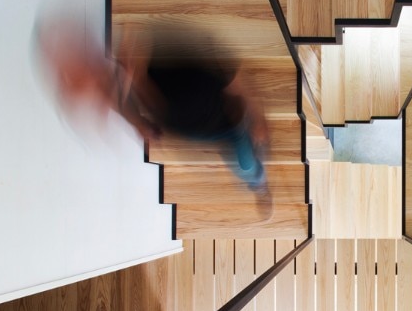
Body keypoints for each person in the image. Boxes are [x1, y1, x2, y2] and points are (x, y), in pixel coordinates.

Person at [37, 16, 272, 215]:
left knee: (245, 164)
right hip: (197, 128)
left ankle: (258, 181)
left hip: (229, 122)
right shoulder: (118, 81)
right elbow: (119, 100)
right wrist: (138, 121)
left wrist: (258, 118)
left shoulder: (165, 59)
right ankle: (254, 172)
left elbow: (234, 78)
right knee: (236, 156)